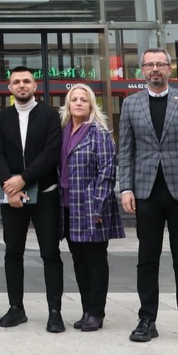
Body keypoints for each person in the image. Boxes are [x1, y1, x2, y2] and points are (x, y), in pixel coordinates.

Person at [117, 47, 178, 347]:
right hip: (146, 192)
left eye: (160, 64)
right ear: (142, 70)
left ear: (170, 69)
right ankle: (147, 319)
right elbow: (126, 151)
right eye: (149, 65)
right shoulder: (131, 104)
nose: (155, 69)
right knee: (147, 259)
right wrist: (125, 188)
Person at [0, 65, 65, 332]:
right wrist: (10, 187)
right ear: (9, 88)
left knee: (50, 253)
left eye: (26, 81)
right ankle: (16, 308)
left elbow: (51, 153)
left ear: (35, 86)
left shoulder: (50, 115)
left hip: (45, 194)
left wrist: (23, 179)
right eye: (16, 82)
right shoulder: (1, 117)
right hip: (13, 197)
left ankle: (54, 311)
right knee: (13, 252)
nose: (21, 85)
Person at [58, 83, 124, 332]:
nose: (78, 103)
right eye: (74, 99)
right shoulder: (63, 131)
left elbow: (107, 173)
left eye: (83, 100)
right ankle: (87, 309)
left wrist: (98, 206)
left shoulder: (99, 133)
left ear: (91, 105)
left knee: (95, 261)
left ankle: (96, 312)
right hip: (68, 207)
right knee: (79, 261)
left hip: (91, 207)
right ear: (68, 104)